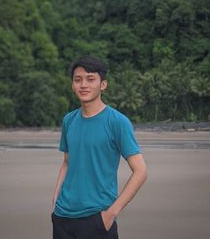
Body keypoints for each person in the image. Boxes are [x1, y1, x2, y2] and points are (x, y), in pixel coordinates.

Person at [52, 55, 147, 239]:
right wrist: (56, 196)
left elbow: (141, 171)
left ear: (103, 84)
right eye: (77, 80)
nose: (83, 85)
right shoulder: (69, 120)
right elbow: (66, 162)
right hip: (62, 217)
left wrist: (111, 214)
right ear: (72, 85)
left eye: (90, 79)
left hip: (97, 218)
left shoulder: (117, 122)